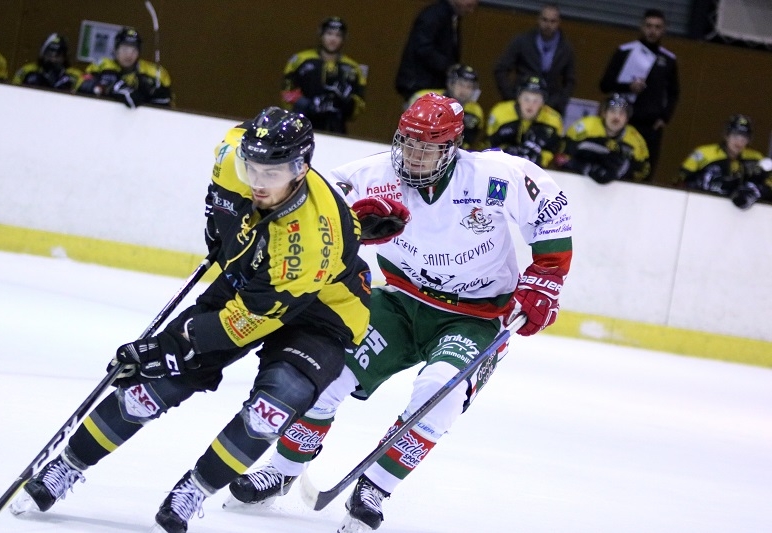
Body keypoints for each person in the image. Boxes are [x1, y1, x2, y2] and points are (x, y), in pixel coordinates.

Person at [8, 107, 373, 533]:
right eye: (251, 167)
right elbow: (219, 193)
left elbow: (248, 319)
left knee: (271, 408)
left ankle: (195, 490)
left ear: (299, 168)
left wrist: (167, 345)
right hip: (255, 277)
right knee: (149, 387)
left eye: (270, 173)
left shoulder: (309, 243)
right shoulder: (231, 152)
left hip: (322, 312)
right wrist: (219, 232)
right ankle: (67, 465)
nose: (257, 180)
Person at [224, 93, 574, 532]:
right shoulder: (370, 176)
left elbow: (550, 210)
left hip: (476, 317)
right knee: (327, 374)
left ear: (452, 147)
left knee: (437, 393)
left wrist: (546, 276)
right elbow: (309, 206)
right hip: (399, 300)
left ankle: (375, 485)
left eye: (427, 147)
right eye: (408, 142)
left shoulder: (494, 176)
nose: (414, 155)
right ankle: (282, 470)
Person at [599, 9, 679, 181]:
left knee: (645, 172)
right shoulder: (625, 51)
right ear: (641, 27)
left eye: (657, 27)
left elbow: (674, 93)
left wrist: (664, 117)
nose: (652, 31)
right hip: (623, 122)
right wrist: (629, 87)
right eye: (649, 26)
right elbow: (605, 85)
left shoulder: (669, 60)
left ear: (664, 30)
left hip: (650, 126)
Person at [281, 16, 367, 134]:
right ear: (321, 35)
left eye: (338, 35)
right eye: (329, 33)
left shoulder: (353, 68)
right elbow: (287, 92)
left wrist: (347, 102)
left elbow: (359, 106)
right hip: (301, 125)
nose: (333, 39)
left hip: (336, 128)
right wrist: (308, 105)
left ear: (344, 38)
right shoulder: (300, 60)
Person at [493, 3, 576, 117]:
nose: (548, 25)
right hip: (520, 103)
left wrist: (558, 101)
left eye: (553, 21)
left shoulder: (566, 48)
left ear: (559, 22)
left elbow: (570, 80)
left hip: (550, 106)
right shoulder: (522, 41)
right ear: (538, 20)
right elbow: (501, 69)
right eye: (545, 20)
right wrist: (511, 96)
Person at [394, 0, 478, 102]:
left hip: (433, 84)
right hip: (421, 84)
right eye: (469, 5)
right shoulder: (434, 15)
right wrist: (450, 68)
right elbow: (423, 48)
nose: (471, 11)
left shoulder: (451, 17)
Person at [557, 93, 650, 183]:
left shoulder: (635, 140)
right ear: (604, 113)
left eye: (622, 113)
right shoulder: (586, 127)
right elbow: (561, 155)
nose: (617, 117)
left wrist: (621, 173)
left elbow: (643, 172)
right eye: (613, 111)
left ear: (627, 118)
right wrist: (584, 167)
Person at [78, 26, 172, 108]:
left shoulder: (154, 72)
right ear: (115, 50)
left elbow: (170, 104)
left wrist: (153, 95)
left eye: (134, 50)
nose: (128, 55)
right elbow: (80, 84)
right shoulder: (102, 65)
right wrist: (110, 88)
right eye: (124, 49)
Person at [678, 114, 766, 201]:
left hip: (739, 211)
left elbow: (768, 184)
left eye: (744, 138)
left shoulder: (756, 159)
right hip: (702, 204)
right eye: (735, 135)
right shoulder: (703, 153)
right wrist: (703, 184)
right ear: (726, 135)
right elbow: (680, 182)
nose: (739, 142)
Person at [486, 74, 564, 168]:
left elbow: (553, 150)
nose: (530, 105)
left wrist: (540, 158)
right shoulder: (500, 113)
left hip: (536, 171)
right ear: (518, 98)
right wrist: (505, 153)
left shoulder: (554, 120)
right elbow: (489, 143)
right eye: (526, 99)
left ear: (543, 102)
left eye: (536, 100)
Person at [408, 63, 485, 150]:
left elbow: (468, 142)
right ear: (451, 83)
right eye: (461, 84)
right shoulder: (425, 97)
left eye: (469, 87)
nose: (464, 90)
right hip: (420, 148)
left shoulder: (476, 111)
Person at [12, 33, 83, 92]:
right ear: (43, 54)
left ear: (64, 57)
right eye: (49, 54)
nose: (53, 59)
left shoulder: (75, 76)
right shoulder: (27, 71)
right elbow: (13, 90)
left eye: (58, 55)